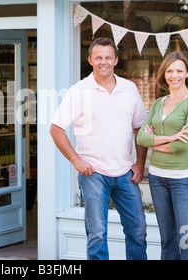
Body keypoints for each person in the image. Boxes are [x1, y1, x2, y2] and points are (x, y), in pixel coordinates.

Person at [50, 37, 148, 260]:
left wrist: (140, 164)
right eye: (98, 58)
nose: (103, 62)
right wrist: (76, 161)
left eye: (108, 57)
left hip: (125, 173)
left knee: (138, 230)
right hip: (93, 174)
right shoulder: (79, 91)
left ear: (115, 60)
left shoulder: (129, 88)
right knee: (97, 234)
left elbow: (140, 128)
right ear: (90, 60)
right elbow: (56, 129)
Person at [137, 51, 188, 260]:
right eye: (170, 70)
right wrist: (172, 137)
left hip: (182, 179)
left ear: (186, 74)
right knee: (167, 240)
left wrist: (156, 142)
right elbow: (140, 138)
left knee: (186, 242)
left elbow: (184, 146)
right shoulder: (158, 103)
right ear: (164, 74)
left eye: (179, 71)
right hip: (157, 178)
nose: (174, 75)